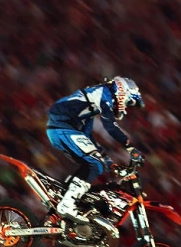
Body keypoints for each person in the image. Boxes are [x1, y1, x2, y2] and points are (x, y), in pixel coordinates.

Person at [44, 76, 145, 224]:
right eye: (128, 102)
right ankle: (67, 204)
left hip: (61, 128)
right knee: (95, 164)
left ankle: (56, 213)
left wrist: (110, 163)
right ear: (123, 92)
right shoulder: (103, 94)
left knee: (91, 162)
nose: (125, 107)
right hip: (61, 127)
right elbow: (110, 125)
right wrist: (130, 147)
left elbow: (88, 138)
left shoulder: (91, 104)